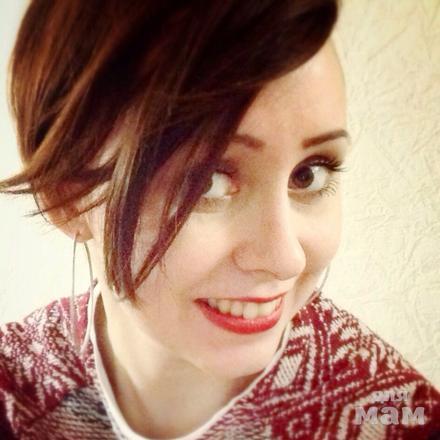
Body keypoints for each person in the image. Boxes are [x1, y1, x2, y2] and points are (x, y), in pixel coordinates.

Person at [0, 0, 439, 439]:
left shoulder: (395, 420)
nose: (285, 259)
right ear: (69, 198)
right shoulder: (15, 393)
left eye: (308, 175)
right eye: (206, 181)